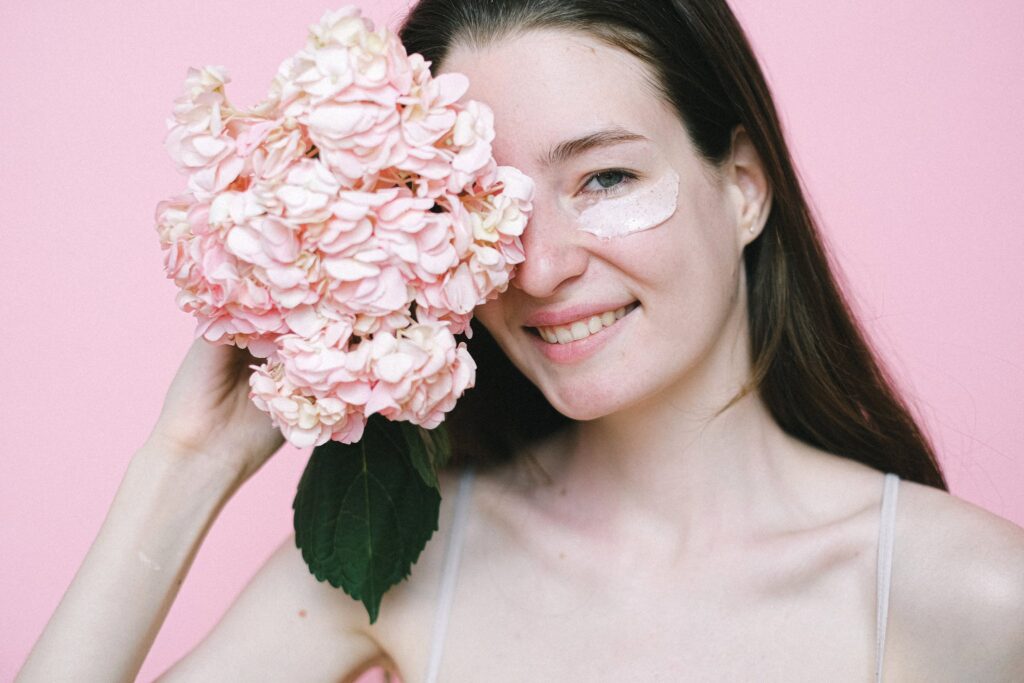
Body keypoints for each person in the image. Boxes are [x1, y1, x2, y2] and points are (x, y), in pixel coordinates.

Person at [18, 0, 1024, 681]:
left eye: (606, 178)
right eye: (482, 201)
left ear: (743, 185)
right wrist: (185, 463)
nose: (537, 268)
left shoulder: (967, 594)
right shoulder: (400, 563)